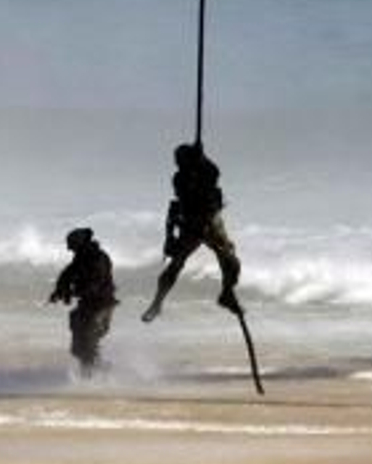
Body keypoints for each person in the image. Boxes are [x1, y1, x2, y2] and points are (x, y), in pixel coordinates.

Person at [141, 142, 241, 322]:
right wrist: (169, 236)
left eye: (180, 159)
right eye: (176, 160)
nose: (177, 163)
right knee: (175, 265)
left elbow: (214, 173)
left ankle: (227, 294)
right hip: (191, 226)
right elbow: (178, 204)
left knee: (230, 262)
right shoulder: (179, 178)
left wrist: (202, 157)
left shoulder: (206, 171)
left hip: (211, 224)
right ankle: (156, 304)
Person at [48, 226, 118, 376]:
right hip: (87, 305)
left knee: (88, 341)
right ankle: (92, 372)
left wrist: (72, 292)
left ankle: (96, 374)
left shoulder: (99, 258)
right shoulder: (80, 257)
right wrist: (59, 291)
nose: (70, 250)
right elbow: (66, 274)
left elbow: (95, 284)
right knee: (78, 348)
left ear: (80, 244)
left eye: (72, 247)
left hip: (102, 306)